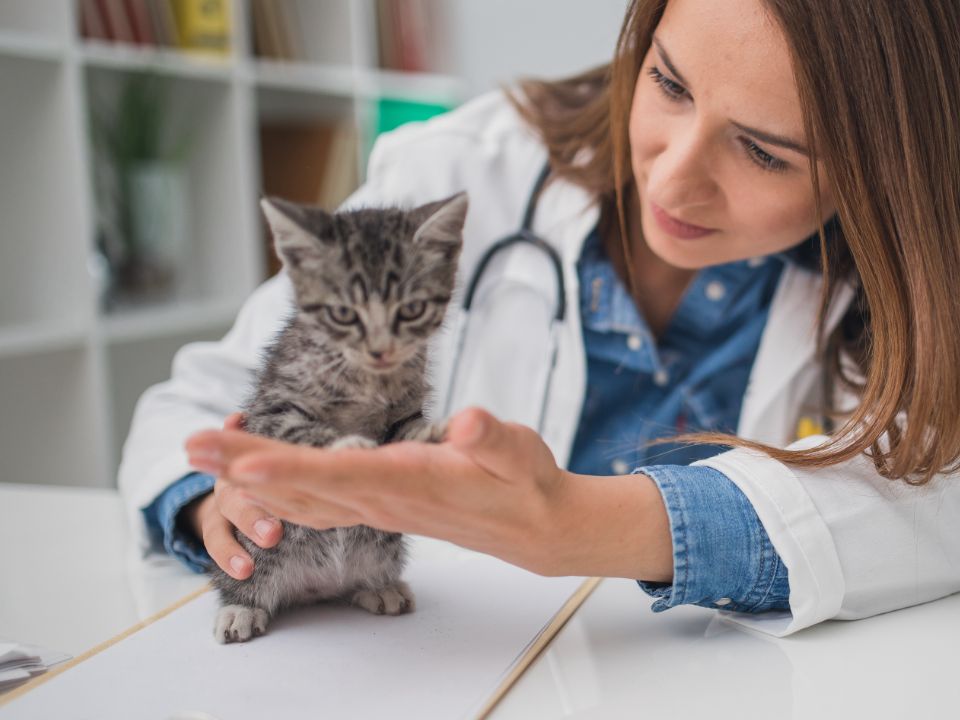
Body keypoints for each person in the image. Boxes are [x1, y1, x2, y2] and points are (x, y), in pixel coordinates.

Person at [120, 0, 960, 637]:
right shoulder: (455, 178)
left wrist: (591, 527)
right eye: (668, 83)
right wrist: (219, 508)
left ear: (882, 171)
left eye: (765, 152)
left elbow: (940, 499)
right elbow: (189, 408)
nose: (671, 182)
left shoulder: (908, 262)